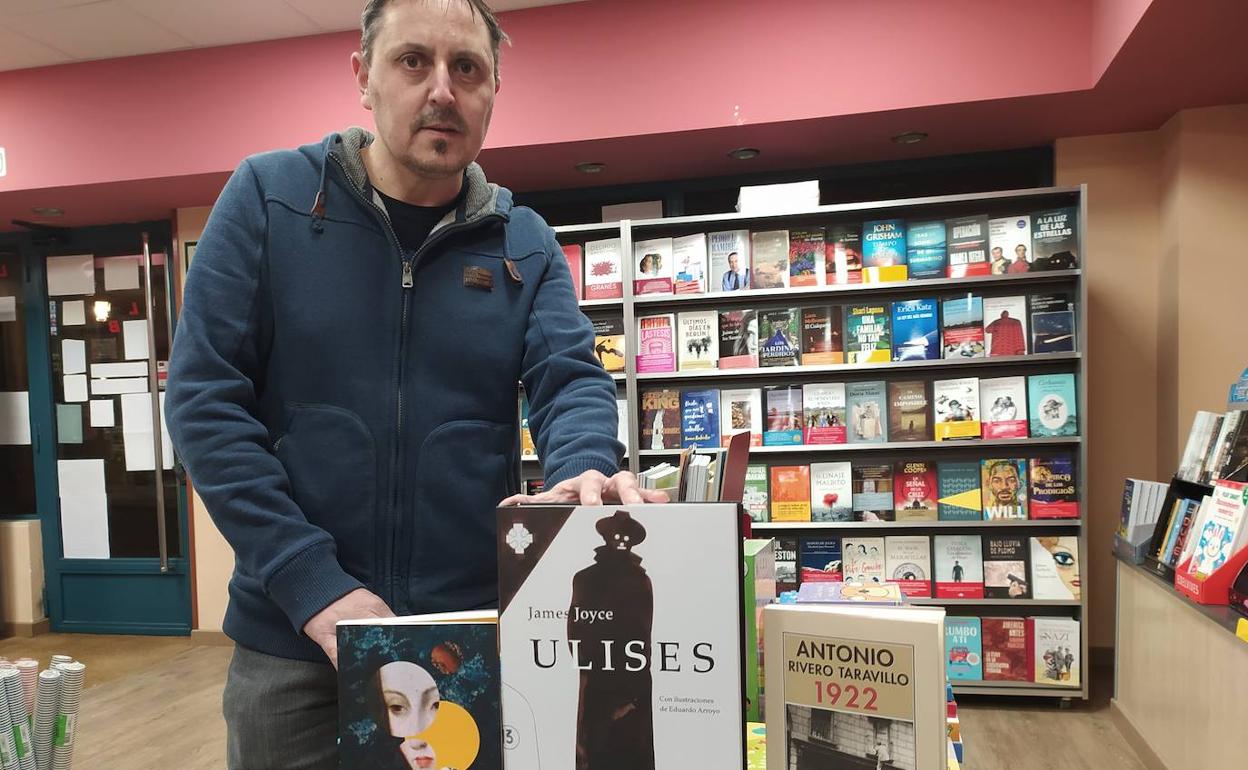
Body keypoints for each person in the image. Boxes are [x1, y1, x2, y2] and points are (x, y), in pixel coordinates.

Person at [165, 2, 666, 767]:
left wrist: (583, 474)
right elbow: (204, 402)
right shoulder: (269, 200)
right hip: (294, 651)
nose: (442, 89)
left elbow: (569, 381)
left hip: (463, 641)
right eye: (413, 61)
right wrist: (316, 589)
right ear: (364, 78)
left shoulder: (520, 241)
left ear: (494, 90)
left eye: (467, 67)